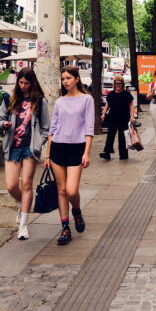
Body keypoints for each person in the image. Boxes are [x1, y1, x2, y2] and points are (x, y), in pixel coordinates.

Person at [0, 68, 51, 240]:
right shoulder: (10, 98)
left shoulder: (39, 101)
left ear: (32, 83)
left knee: (27, 184)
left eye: (26, 83)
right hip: (12, 147)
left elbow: (46, 127)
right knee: (11, 186)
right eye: (20, 82)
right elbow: (0, 120)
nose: (23, 86)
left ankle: (23, 225)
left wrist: (38, 143)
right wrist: (5, 124)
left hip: (29, 148)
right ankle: (23, 203)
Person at [45, 66, 94, 246]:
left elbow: (89, 128)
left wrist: (87, 153)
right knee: (62, 190)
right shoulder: (60, 102)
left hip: (77, 148)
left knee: (72, 190)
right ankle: (65, 227)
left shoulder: (87, 99)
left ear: (76, 79)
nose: (65, 82)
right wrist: (47, 155)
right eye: (63, 79)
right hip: (58, 148)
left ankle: (77, 210)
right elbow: (52, 129)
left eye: (68, 78)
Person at [100, 74, 135, 161]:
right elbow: (107, 105)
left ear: (122, 84)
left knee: (122, 137)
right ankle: (107, 153)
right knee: (110, 136)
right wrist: (104, 114)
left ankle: (123, 154)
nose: (118, 85)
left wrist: (132, 116)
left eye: (119, 83)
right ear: (114, 84)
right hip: (112, 118)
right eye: (116, 83)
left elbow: (131, 106)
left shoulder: (126, 94)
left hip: (123, 118)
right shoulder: (111, 94)